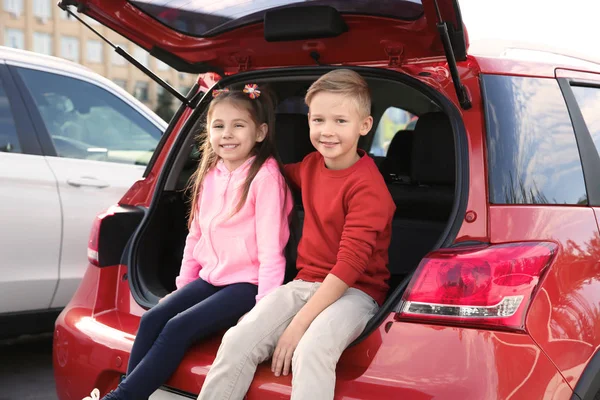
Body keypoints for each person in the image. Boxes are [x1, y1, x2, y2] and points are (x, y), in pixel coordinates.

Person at [83, 83, 293, 400]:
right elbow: (195, 235)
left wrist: (263, 311)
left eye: (239, 126)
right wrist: (184, 288)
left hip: (247, 285)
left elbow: (271, 251)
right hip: (212, 278)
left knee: (177, 328)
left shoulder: (265, 178)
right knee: (154, 317)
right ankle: (131, 392)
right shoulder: (210, 174)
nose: (227, 134)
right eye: (218, 126)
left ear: (260, 132)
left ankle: (121, 398)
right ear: (208, 131)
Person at [197, 69, 396, 400]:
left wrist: (297, 326)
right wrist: (236, 170)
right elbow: (272, 178)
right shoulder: (311, 165)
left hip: (355, 293)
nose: (326, 131)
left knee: (311, 349)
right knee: (236, 340)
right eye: (317, 120)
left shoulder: (368, 189)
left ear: (364, 126)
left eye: (340, 121)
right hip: (305, 283)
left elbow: (348, 267)